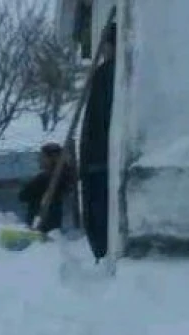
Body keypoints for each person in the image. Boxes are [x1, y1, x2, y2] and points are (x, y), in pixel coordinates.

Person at [78, 21, 116, 261]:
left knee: (97, 211)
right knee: (98, 210)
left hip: (98, 159)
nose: (102, 51)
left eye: (105, 45)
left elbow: (99, 116)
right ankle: (101, 253)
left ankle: (101, 253)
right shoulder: (106, 73)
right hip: (99, 158)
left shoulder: (108, 74)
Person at [18, 142, 75, 234]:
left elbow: (23, 196)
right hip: (55, 224)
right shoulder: (66, 174)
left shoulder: (45, 178)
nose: (39, 160)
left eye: (42, 157)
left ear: (51, 158)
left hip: (42, 224)